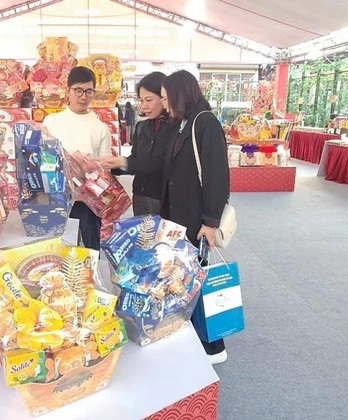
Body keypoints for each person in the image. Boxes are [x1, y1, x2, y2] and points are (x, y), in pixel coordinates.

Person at [160, 70, 229, 364]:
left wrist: (210, 222)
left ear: (179, 95)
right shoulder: (183, 123)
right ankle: (192, 338)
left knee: (199, 282)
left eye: (166, 99)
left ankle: (214, 347)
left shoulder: (206, 123)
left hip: (197, 219)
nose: (164, 105)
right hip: (180, 217)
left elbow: (216, 175)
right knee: (185, 279)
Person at [43, 66, 112, 250]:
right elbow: (43, 158)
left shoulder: (101, 128)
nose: (83, 96)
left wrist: (90, 166)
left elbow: (106, 167)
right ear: (68, 91)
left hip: (89, 197)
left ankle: (93, 276)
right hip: (57, 194)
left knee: (91, 247)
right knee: (59, 246)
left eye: (88, 91)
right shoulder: (52, 121)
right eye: (78, 90)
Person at [100, 72, 178, 215]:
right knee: (142, 236)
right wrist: (113, 165)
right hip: (140, 196)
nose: (144, 106)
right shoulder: (142, 127)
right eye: (141, 101)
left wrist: (124, 162)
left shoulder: (177, 128)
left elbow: (161, 164)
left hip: (165, 199)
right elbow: (136, 160)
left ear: (164, 97)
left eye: (149, 100)